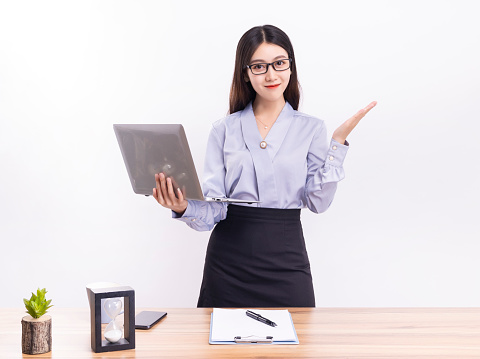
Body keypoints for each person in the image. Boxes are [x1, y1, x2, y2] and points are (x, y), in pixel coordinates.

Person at [153, 25, 376, 308]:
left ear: (291, 67)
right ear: (245, 73)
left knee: (297, 347)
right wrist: (182, 206)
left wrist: (337, 145)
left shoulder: (311, 129)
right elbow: (215, 209)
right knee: (222, 350)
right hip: (228, 263)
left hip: (287, 260)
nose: (271, 75)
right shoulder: (224, 130)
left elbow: (318, 203)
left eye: (279, 63)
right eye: (259, 66)